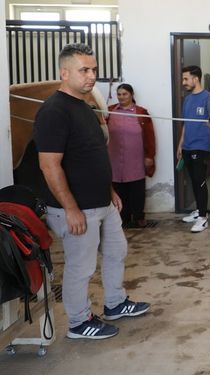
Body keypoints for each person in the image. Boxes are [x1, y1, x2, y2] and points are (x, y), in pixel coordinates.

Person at [33, 43, 150, 340]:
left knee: (116, 252)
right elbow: (49, 166)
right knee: (81, 267)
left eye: (94, 69)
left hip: (102, 202)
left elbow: (93, 154)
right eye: (84, 70)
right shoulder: (53, 111)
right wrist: (71, 208)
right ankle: (78, 321)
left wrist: (109, 191)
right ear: (64, 72)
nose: (91, 76)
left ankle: (114, 303)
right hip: (77, 207)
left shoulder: (85, 107)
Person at [106, 83, 156, 228]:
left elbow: (149, 136)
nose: (121, 97)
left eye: (125, 94)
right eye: (119, 94)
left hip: (135, 158)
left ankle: (139, 216)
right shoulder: (109, 111)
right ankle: (122, 217)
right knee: (118, 188)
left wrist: (149, 156)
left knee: (136, 189)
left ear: (131, 95)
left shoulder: (141, 113)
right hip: (114, 158)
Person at [176, 65, 210, 233]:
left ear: (196, 78)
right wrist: (180, 144)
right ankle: (199, 211)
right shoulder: (188, 99)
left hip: (201, 147)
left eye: (186, 79)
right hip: (187, 146)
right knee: (193, 180)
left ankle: (203, 217)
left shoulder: (209, 99)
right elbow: (185, 124)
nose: (184, 82)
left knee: (200, 181)